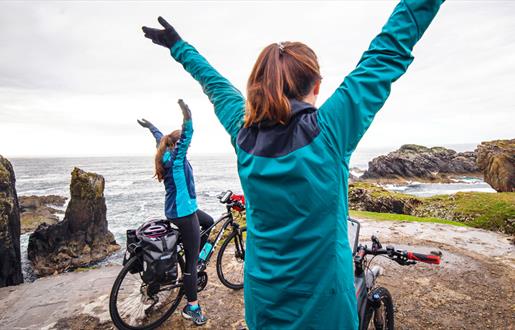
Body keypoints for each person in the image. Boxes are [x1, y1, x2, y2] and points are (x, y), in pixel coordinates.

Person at [142, 1, 444, 328]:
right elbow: (385, 52)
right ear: (315, 86)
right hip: (325, 308)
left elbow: (215, 86)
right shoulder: (329, 132)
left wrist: (178, 46)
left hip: (263, 303)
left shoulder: (243, 133)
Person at [137, 99, 213, 326]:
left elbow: (159, 136)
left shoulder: (165, 153)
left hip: (176, 210)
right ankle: (192, 307)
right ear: (178, 144)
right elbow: (187, 136)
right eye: (184, 145)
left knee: (208, 222)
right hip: (184, 213)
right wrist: (187, 116)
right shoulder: (177, 159)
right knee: (190, 267)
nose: (187, 148)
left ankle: (194, 256)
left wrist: (150, 126)